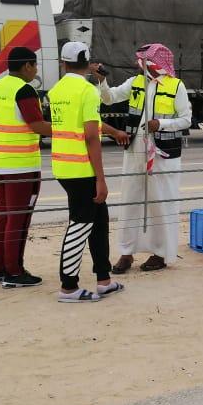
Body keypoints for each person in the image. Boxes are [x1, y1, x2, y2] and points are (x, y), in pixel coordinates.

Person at [97, 43, 192, 273]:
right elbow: (109, 98)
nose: (137, 64)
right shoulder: (136, 82)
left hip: (163, 154)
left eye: (142, 60)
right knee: (130, 201)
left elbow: (186, 119)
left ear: (154, 63)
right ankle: (126, 253)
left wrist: (161, 123)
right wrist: (102, 81)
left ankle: (160, 254)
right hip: (135, 152)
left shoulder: (176, 86)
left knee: (161, 202)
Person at [48, 42, 124, 302]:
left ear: (63, 63)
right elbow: (92, 136)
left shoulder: (57, 90)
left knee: (99, 220)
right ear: (88, 63)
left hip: (62, 165)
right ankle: (68, 287)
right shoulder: (88, 91)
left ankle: (104, 280)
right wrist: (101, 179)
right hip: (82, 168)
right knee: (80, 225)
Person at [0, 47, 51, 288]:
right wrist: (70, 130)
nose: (36, 70)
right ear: (27, 66)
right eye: (35, 65)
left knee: (3, 214)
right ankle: (14, 271)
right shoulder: (24, 90)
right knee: (18, 218)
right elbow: (37, 125)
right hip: (21, 164)